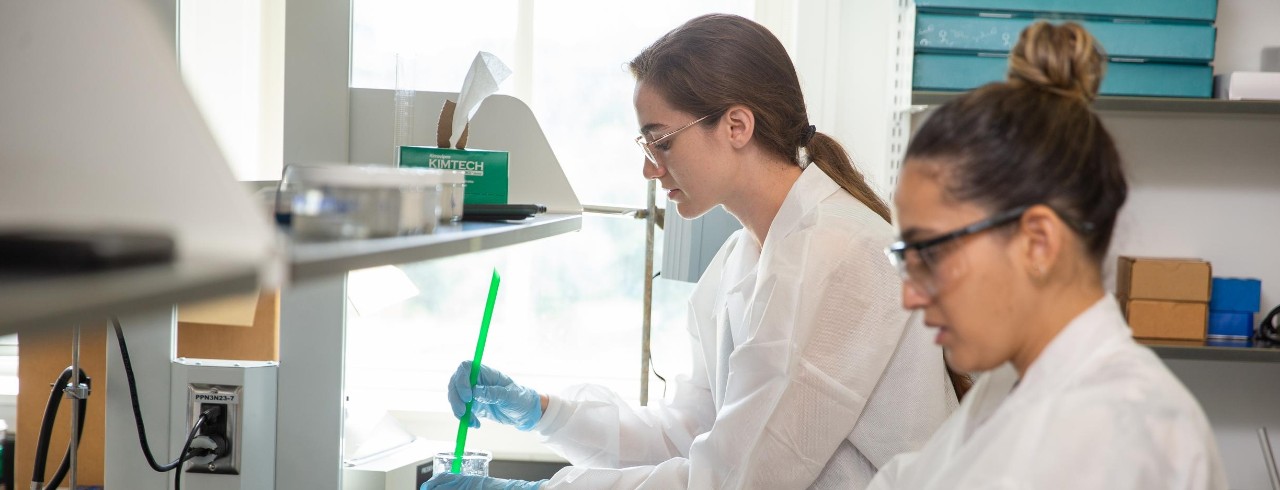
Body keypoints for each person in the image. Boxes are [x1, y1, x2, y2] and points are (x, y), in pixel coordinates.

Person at [425, 13, 959, 490]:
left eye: (661, 141)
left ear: (736, 125)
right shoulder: (739, 259)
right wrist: (542, 413)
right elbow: (690, 433)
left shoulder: (837, 254)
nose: (649, 168)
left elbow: (735, 479)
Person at [868, 21, 1227, 489]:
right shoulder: (1013, 385)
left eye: (930, 254)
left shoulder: (1125, 434)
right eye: (908, 257)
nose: (911, 297)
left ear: (1037, 242)